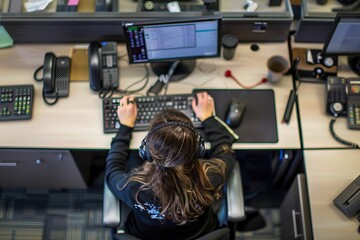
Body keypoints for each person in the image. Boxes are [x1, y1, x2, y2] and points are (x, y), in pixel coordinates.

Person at [105, 91, 239, 240]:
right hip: (199, 234)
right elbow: (226, 151)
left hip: (146, 235)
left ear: (147, 152)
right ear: (197, 149)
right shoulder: (210, 176)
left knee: (131, 161)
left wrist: (125, 127)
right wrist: (208, 118)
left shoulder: (134, 187)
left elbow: (112, 171)